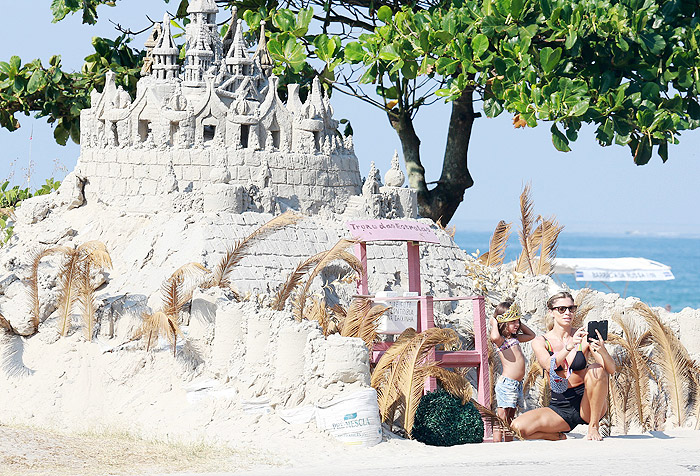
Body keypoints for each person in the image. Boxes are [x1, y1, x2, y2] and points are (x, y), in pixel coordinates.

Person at [510, 291, 616, 441]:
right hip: (560, 406)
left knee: (597, 369)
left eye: (571, 308)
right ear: (551, 312)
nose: (567, 312)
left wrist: (603, 351)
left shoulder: (584, 337)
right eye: (561, 309)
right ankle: (558, 436)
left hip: (587, 405)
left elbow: (611, 370)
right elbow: (548, 365)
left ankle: (593, 427)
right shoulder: (541, 341)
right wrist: (569, 346)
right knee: (517, 428)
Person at [489, 301, 536, 442]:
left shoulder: (515, 338)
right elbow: (494, 337)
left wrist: (518, 324)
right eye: (512, 322)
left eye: (518, 321)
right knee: (502, 415)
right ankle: (497, 443)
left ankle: (508, 442)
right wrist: (493, 323)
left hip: (516, 384)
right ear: (503, 323)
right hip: (507, 384)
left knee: (511, 415)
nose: (517, 324)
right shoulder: (501, 341)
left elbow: (531, 335)